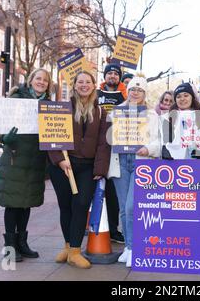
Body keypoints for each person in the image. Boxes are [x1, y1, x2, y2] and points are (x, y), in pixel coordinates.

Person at [48, 71, 110, 269]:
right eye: (80, 82)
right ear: (74, 86)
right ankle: (67, 246)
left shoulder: (101, 112)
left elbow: (103, 143)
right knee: (65, 205)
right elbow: (51, 134)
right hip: (63, 165)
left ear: (94, 86)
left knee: (81, 204)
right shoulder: (62, 108)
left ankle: (75, 250)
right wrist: (59, 160)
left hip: (87, 167)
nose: (84, 85)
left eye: (88, 82)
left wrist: (100, 168)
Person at [0, 68, 53, 262]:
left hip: (35, 161)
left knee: (26, 204)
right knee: (13, 203)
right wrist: (3, 138)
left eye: (45, 80)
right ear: (31, 80)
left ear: (48, 85)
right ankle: (10, 246)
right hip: (15, 159)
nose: (41, 82)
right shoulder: (16, 98)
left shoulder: (50, 105)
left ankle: (22, 243)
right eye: (38, 79)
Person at [108, 76, 161, 268]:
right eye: (132, 89)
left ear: (145, 94)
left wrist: (149, 149)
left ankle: (133, 246)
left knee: (132, 207)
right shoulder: (117, 113)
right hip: (120, 160)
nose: (135, 93)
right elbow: (108, 137)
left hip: (141, 161)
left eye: (139, 90)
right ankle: (128, 248)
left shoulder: (152, 115)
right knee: (123, 208)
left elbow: (158, 141)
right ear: (127, 91)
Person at [97, 63, 127, 244]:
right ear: (105, 76)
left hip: (118, 148)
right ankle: (98, 228)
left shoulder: (125, 95)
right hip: (99, 147)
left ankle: (114, 229)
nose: (113, 76)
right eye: (110, 73)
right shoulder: (95, 95)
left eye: (116, 74)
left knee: (115, 193)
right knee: (99, 191)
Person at [161, 83, 200, 160]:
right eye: (178, 97)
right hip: (174, 163)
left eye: (186, 95)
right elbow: (164, 139)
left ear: (192, 97)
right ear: (175, 100)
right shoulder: (168, 117)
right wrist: (165, 150)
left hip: (197, 163)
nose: (182, 99)